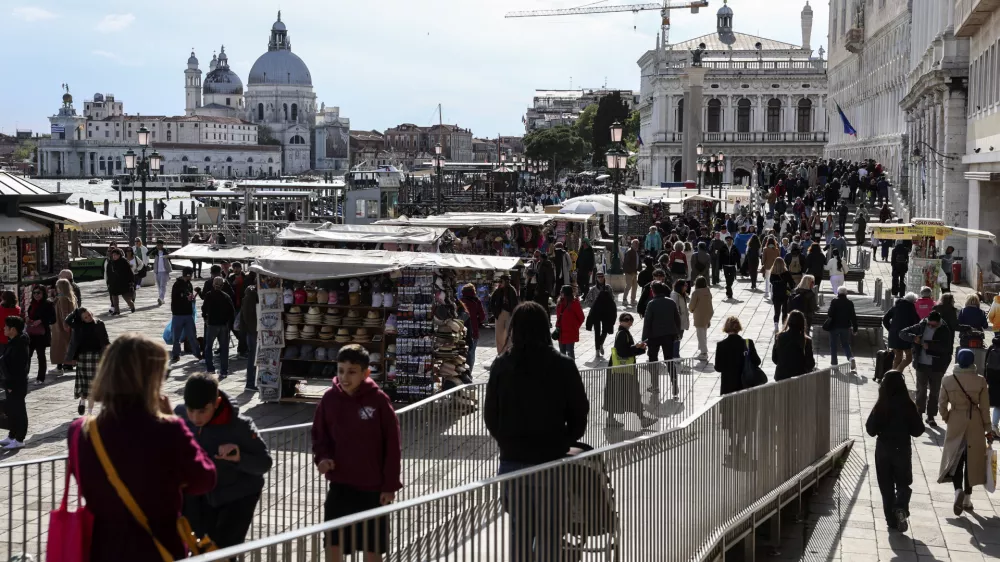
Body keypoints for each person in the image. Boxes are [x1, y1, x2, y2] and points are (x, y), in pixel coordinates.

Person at [66, 334, 217, 561]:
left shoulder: (79, 432)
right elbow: (204, 479)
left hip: (103, 550)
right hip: (157, 550)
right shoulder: (167, 430)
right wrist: (175, 421)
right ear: (150, 380)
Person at [484, 301, 589, 561]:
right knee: (550, 532)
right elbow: (579, 415)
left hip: (513, 462)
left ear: (514, 329)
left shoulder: (502, 366)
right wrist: (562, 440)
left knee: (519, 531)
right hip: (551, 461)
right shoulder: (564, 366)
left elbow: (490, 415)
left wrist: (507, 442)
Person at [312, 344, 401, 561]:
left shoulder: (379, 401)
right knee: (333, 543)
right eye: (341, 370)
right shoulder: (329, 399)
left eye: (352, 372)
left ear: (366, 373)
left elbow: (392, 445)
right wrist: (323, 458)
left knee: (372, 548)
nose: (345, 377)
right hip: (340, 486)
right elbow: (320, 436)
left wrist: (390, 485)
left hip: (373, 489)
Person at [177, 374, 272, 549]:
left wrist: (239, 457)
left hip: (238, 496)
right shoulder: (180, 416)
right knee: (198, 547)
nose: (196, 417)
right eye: (191, 410)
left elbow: (264, 462)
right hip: (202, 496)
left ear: (217, 403)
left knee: (223, 551)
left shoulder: (240, 426)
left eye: (202, 411)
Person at [865, 370, 924, 532]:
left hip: (883, 450)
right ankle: (900, 507)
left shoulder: (881, 405)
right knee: (903, 483)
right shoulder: (908, 405)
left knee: (886, 487)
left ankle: (891, 521)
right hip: (902, 449)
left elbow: (870, 430)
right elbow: (918, 430)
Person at [938, 349, 991, 516]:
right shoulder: (980, 381)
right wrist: (988, 428)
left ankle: (957, 490)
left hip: (956, 419)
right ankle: (967, 498)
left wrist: (947, 417)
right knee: (972, 460)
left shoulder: (948, 380)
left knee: (956, 458)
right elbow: (985, 408)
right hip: (975, 422)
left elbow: (941, 404)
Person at [900, 310, 955, 427]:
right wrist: (914, 338)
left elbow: (947, 348)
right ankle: (919, 412)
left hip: (937, 366)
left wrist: (930, 346)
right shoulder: (921, 325)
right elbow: (902, 333)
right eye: (929, 324)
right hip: (921, 364)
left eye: (933, 326)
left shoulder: (944, 330)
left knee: (934, 392)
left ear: (939, 323)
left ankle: (931, 416)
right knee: (921, 390)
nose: (930, 327)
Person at [604, 312, 656, 428]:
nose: (629, 322)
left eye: (630, 320)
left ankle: (611, 419)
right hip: (622, 370)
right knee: (631, 393)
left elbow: (627, 350)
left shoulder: (624, 333)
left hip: (619, 370)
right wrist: (636, 347)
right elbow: (622, 352)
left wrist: (640, 349)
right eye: (626, 320)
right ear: (620, 321)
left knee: (617, 393)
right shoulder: (622, 334)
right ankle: (642, 419)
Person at [65, 307, 110, 416]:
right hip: (82, 357)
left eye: (89, 315)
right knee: (84, 383)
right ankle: (82, 401)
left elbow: (105, 339)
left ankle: (89, 412)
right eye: (85, 317)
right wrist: (76, 311)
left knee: (92, 384)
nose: (89, 318)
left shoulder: (99, 323)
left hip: (96, 356)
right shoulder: (78, 325)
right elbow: (67, 320)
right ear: (82, 319)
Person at [642, 282, 682, 399]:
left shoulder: (651, 304)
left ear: (653, 291)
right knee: (669, 360)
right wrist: (677, 333)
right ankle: (674, 382)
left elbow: (647, 322)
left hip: (654, 337)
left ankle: (655, 385)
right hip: (668, 336)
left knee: (653, 361)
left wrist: (644, 339)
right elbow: (677, 319)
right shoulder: (671, 302)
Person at [0, 317, 30, 449]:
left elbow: (19, 368)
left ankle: (19, 439)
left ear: (13, 329)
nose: (4, 328)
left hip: (16, 384)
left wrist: (11, 385)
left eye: (6, 326)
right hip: (9, 382)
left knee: (19, 411)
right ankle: (12, 435)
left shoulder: (20, 345)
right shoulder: (13, 341)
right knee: (11, 410)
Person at [714, 316, 761, 395]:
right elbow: (757, 362)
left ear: (726, 327)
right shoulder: (748, 343)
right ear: (738, 327)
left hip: (727, 386)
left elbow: (718, 368)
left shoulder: (721, 345)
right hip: (745, 385)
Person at [203, 276, 236, 379]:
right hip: (223, 325)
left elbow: (204, 309)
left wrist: (205, 318)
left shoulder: (209, 295)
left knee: (208, 347)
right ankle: (223, 371)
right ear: (222, 285)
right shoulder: (226, 296)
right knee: (224, 349)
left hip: (212, 324)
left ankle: (210, 369)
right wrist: (228, 322)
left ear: (213, 284)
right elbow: (232, 312)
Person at [25, 285, 56, 384]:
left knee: (41, 355)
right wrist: (28, 319)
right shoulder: (32, 304)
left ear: (43, 293)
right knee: (27, 355)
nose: (36, 295)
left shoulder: (48, 304)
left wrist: (41, 320)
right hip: (31, 333)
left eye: (38, 292)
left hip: (42, 334)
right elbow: (30, 315)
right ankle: (24, 375)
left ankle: (40, 378)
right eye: (34, 293)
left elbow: (53, 319)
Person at [772, 310, 816, 381]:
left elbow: (774, 359)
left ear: (788, 323)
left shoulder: (779, 337)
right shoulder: (806, 340)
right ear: (802, 324)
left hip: (781, 377)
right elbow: (810, 363)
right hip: (799, 378)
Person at [171, 267, 202, 362]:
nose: (191, 277)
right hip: (178, 314)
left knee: (192, 335)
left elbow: (189, 296)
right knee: (176, 337)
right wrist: (185, 298)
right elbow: (175, 298)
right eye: (191, 275)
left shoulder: (189, 284)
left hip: (188, 314)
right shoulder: (177, 284)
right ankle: (176, 354)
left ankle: (197, 353)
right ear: (188, 275)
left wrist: (192, 298)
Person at [884, 293, 921, 373]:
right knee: (908, 358)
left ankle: (892, 375)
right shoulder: (911, 309)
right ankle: (898, 372)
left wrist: (890, 329)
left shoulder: (896, 306)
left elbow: (885, 319)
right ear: (913, 301)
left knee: (898, 357)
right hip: (905, 336)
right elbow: (917, 323)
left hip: (894, 335)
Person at [826, 286, 859, 372]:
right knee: (845, 344)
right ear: (846, 293)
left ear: (838, 293)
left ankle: (834, 364)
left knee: (833, 345)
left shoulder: (834, 301)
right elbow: (853, 317)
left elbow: (830, 314)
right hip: (845, 327)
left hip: (834, 326)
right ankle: (850, 358)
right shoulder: (850, 303)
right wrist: (855, 329)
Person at [585, 273, 617, 358]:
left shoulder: (608, 288)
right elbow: (586, 301)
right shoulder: (593, 289)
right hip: (596, 313)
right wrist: (594, 305)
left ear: (604, 277)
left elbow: (612, 298)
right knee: (597, 331)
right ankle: (597, 350)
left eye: (601, 276)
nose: (600, 278)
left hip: (606, 312)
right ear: (596, 278)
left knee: (605, 330)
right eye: (598, 277)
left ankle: (601, 343)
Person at [51, 279, 77, 372]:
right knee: (67, 344)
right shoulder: (71, 297)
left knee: (59, 345)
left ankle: (59, 366)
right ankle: (68, 364)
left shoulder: (62, 298)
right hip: (68, 324)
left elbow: (64, 312)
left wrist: (65, 323)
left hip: (60, 325)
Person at [489, 274, 519, 354]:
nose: (500, 283)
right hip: (499, 314)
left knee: (509, 334)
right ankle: (500, 352)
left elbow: (515, 303)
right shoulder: (498, 290)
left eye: (501, 281)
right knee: (499, 335)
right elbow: (492, 301)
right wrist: (495, 312)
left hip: (509, 314)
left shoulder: (512, 290)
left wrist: (514, 314)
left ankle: (509, 351)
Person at [460, 284, 486, 370]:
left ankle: (462, 370)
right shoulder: (476, 301)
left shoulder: (461, 302)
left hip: (462, 331)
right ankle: (469, 371)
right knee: (471, 352)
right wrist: (476, 321)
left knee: (462, 352)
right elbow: (482, 317)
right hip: (474, 331)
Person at [554, 285, 584, 359]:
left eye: (562, 292)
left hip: (570, 332)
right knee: (562, 353)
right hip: (561, 332)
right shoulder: (560, 302)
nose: (560, 293)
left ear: (566, 293)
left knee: (570, 352)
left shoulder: (574, 303)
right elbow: (558, 317)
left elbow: (581, 317)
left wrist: (574, 326)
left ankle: (571, 366)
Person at [241, 273, 259, 391]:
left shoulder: (253, 294)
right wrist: (254, 329)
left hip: (254, 329)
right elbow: (247, 316)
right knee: (253, 356)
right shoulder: (251, 295)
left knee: (255, 356)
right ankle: (250, 383)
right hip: (253, 331)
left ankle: (253, 381)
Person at [689, 276, 714, 361]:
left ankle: (704, 352)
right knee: (704, 333)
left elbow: (691, 305)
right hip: (708, 314)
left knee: (700, 334)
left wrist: (691, 310)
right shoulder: (708, 291)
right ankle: (702, 351)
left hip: (699, 315)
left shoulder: (696, 292)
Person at [769, 258, 795, 332]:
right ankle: (784, 325)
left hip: (776, 294)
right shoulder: (786, 273)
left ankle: (776, 326)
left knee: (776, 311)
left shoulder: (772, 274)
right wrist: (790, 288)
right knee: (784, 311)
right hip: (785, 294)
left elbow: (771, 282)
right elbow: (792, 284)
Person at [148, 240, 172, 306]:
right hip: (157, 271)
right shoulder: (155, 252)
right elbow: (148, 254)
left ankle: (161, 298)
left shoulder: (165, 251)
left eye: (160, 245)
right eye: (157, 245)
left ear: (162, 245)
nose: (159, 246)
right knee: (159, 286)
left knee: (162, 286)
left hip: (164, 271)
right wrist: (153, 248)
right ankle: (161, 299)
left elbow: (170, 256)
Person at [622, 239, 642, 307]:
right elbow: (626, 263)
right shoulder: (629, 252)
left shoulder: (636, 252)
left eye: (637, 244)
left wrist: (638, 269)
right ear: (632, 244)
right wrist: (630, 271)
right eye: (635, 244)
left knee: (635, 286)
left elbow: (638, 261)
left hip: (634, 272)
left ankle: (633, 300)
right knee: (628, 286)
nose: (637, 245)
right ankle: (624, 299)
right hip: (629, 272)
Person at [671, 279, 690, 346]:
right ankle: (674, 351)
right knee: (676, 338)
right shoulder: (674, 295)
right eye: (685, 285)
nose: (686, 287)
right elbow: (674, 308)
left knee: (679, 337)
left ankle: (676, 351)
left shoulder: (683, 294)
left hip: (682, 320)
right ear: (680, 286)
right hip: (677, 321)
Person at [0, 290, 20, 356]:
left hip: (2, 338)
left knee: (2, 358)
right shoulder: (18, 309)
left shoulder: (1, 309)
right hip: (14, 338)